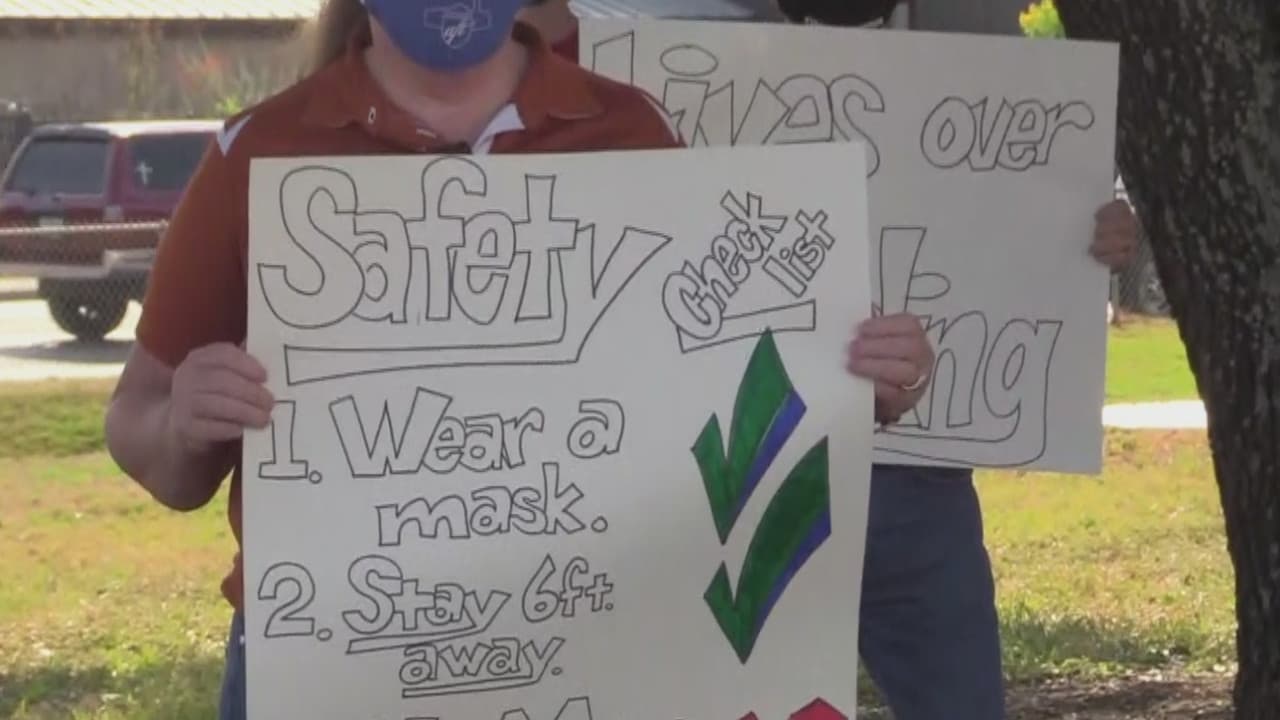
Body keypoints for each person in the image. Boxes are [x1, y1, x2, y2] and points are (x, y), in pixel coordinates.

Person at [101, 1, 940, 718]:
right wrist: (183, 424)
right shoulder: (258, 152)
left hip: (590, 653)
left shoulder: (633, 133)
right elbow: (141, 432)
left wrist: (855, 384)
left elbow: (713, 395)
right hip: (324, 668)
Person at [770, 1, 1140, 718]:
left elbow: (1023, 196)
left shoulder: (966, 37)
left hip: (916, 475)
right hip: (750, 480)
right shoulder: (684, 41)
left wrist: (1095, 230)